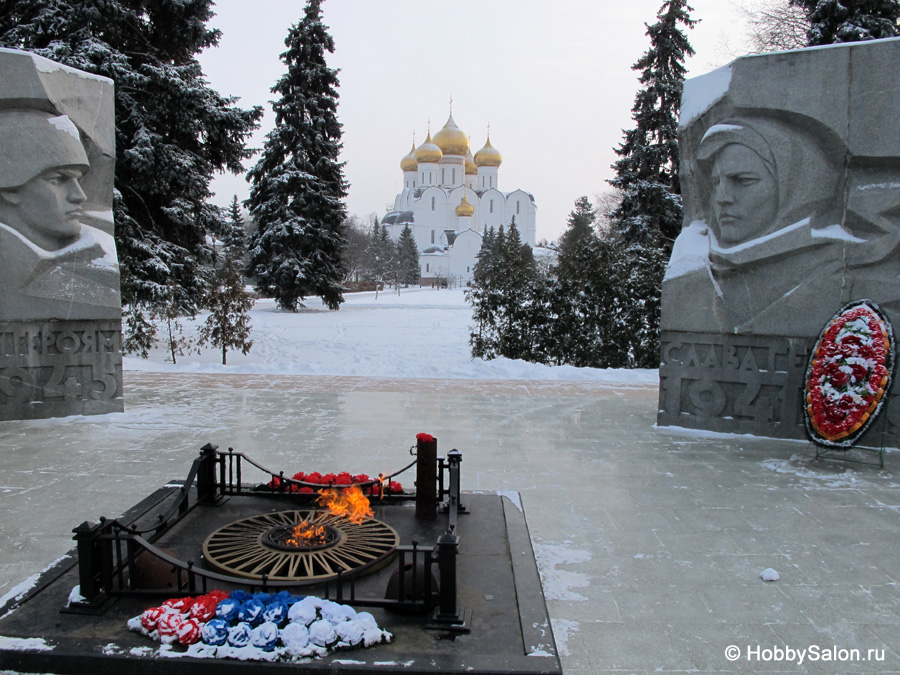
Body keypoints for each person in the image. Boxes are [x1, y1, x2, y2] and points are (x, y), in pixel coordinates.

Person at [663, 115, 857, 337]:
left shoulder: (842, 272)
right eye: (716, 183)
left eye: (743, 180)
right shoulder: (693, 273)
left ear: (792, 187)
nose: (722, 198)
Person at [0, 109, 119, 321]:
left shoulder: (97, 253)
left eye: (78, 180)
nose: (79, 196)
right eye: (58, 180)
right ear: (9, 188)